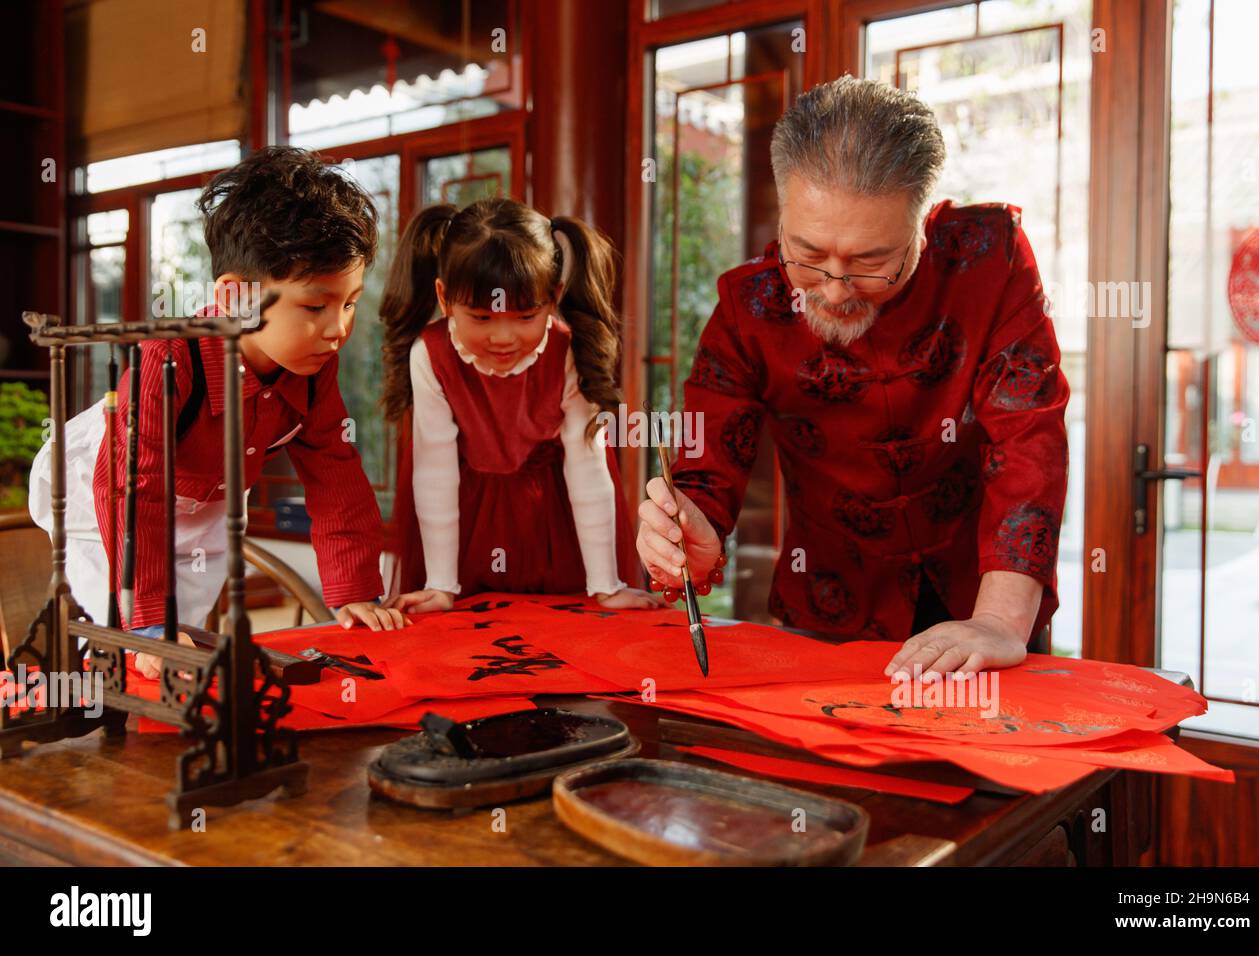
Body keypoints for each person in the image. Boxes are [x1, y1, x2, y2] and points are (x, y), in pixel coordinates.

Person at [636, 76, 1070, 677]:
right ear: (782, 209)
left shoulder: (988, 259)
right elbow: (707, 468)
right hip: (829, 607)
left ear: (922, 221)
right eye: (808, 254)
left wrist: (1000, 619)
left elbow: (1029, 438)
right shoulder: (748, 308)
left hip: (985, 604)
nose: (835, 289)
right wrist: (690, 532)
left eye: (871, 262)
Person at [30, 146, 409, 678]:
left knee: (183, 643)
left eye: (349, 303)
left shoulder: (312, 366)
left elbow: (335, 474)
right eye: (315, 306)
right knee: (121, 639)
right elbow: (131, 486)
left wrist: (355, 593)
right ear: (236, 298)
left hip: (202, 494)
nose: (338, 328)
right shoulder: (169, 358)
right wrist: (144, 624)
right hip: (100, 491)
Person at [381, 198, 655, 612]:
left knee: (557, 632)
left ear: (554, 297)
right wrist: (440, 584)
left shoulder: (567, 350)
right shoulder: (430, 353)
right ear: (444, 298)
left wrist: (606, 584)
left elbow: (586, 464)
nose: (504, 338)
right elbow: (435, 467)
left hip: (550, 515)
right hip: (461, 514)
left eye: (526, 316)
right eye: (482, 318)